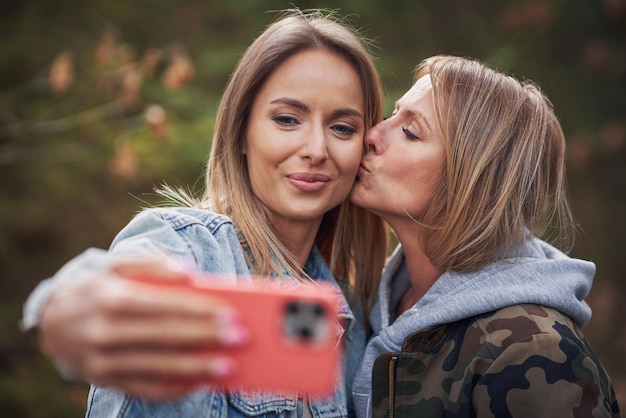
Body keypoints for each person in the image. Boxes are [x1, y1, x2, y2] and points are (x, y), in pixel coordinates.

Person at [22, 9, 387, 417]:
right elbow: (114, 280)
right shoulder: (191, 247)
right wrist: (68, 311)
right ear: (242, 131)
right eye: (287, 120)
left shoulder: (351, 316)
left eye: (342, 128)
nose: (316, 149)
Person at [349, 55, 621, 417]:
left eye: (410, 131)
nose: (371, 135)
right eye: (392, 115)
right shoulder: (359, 306)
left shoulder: (534, 352)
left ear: (474, 183)